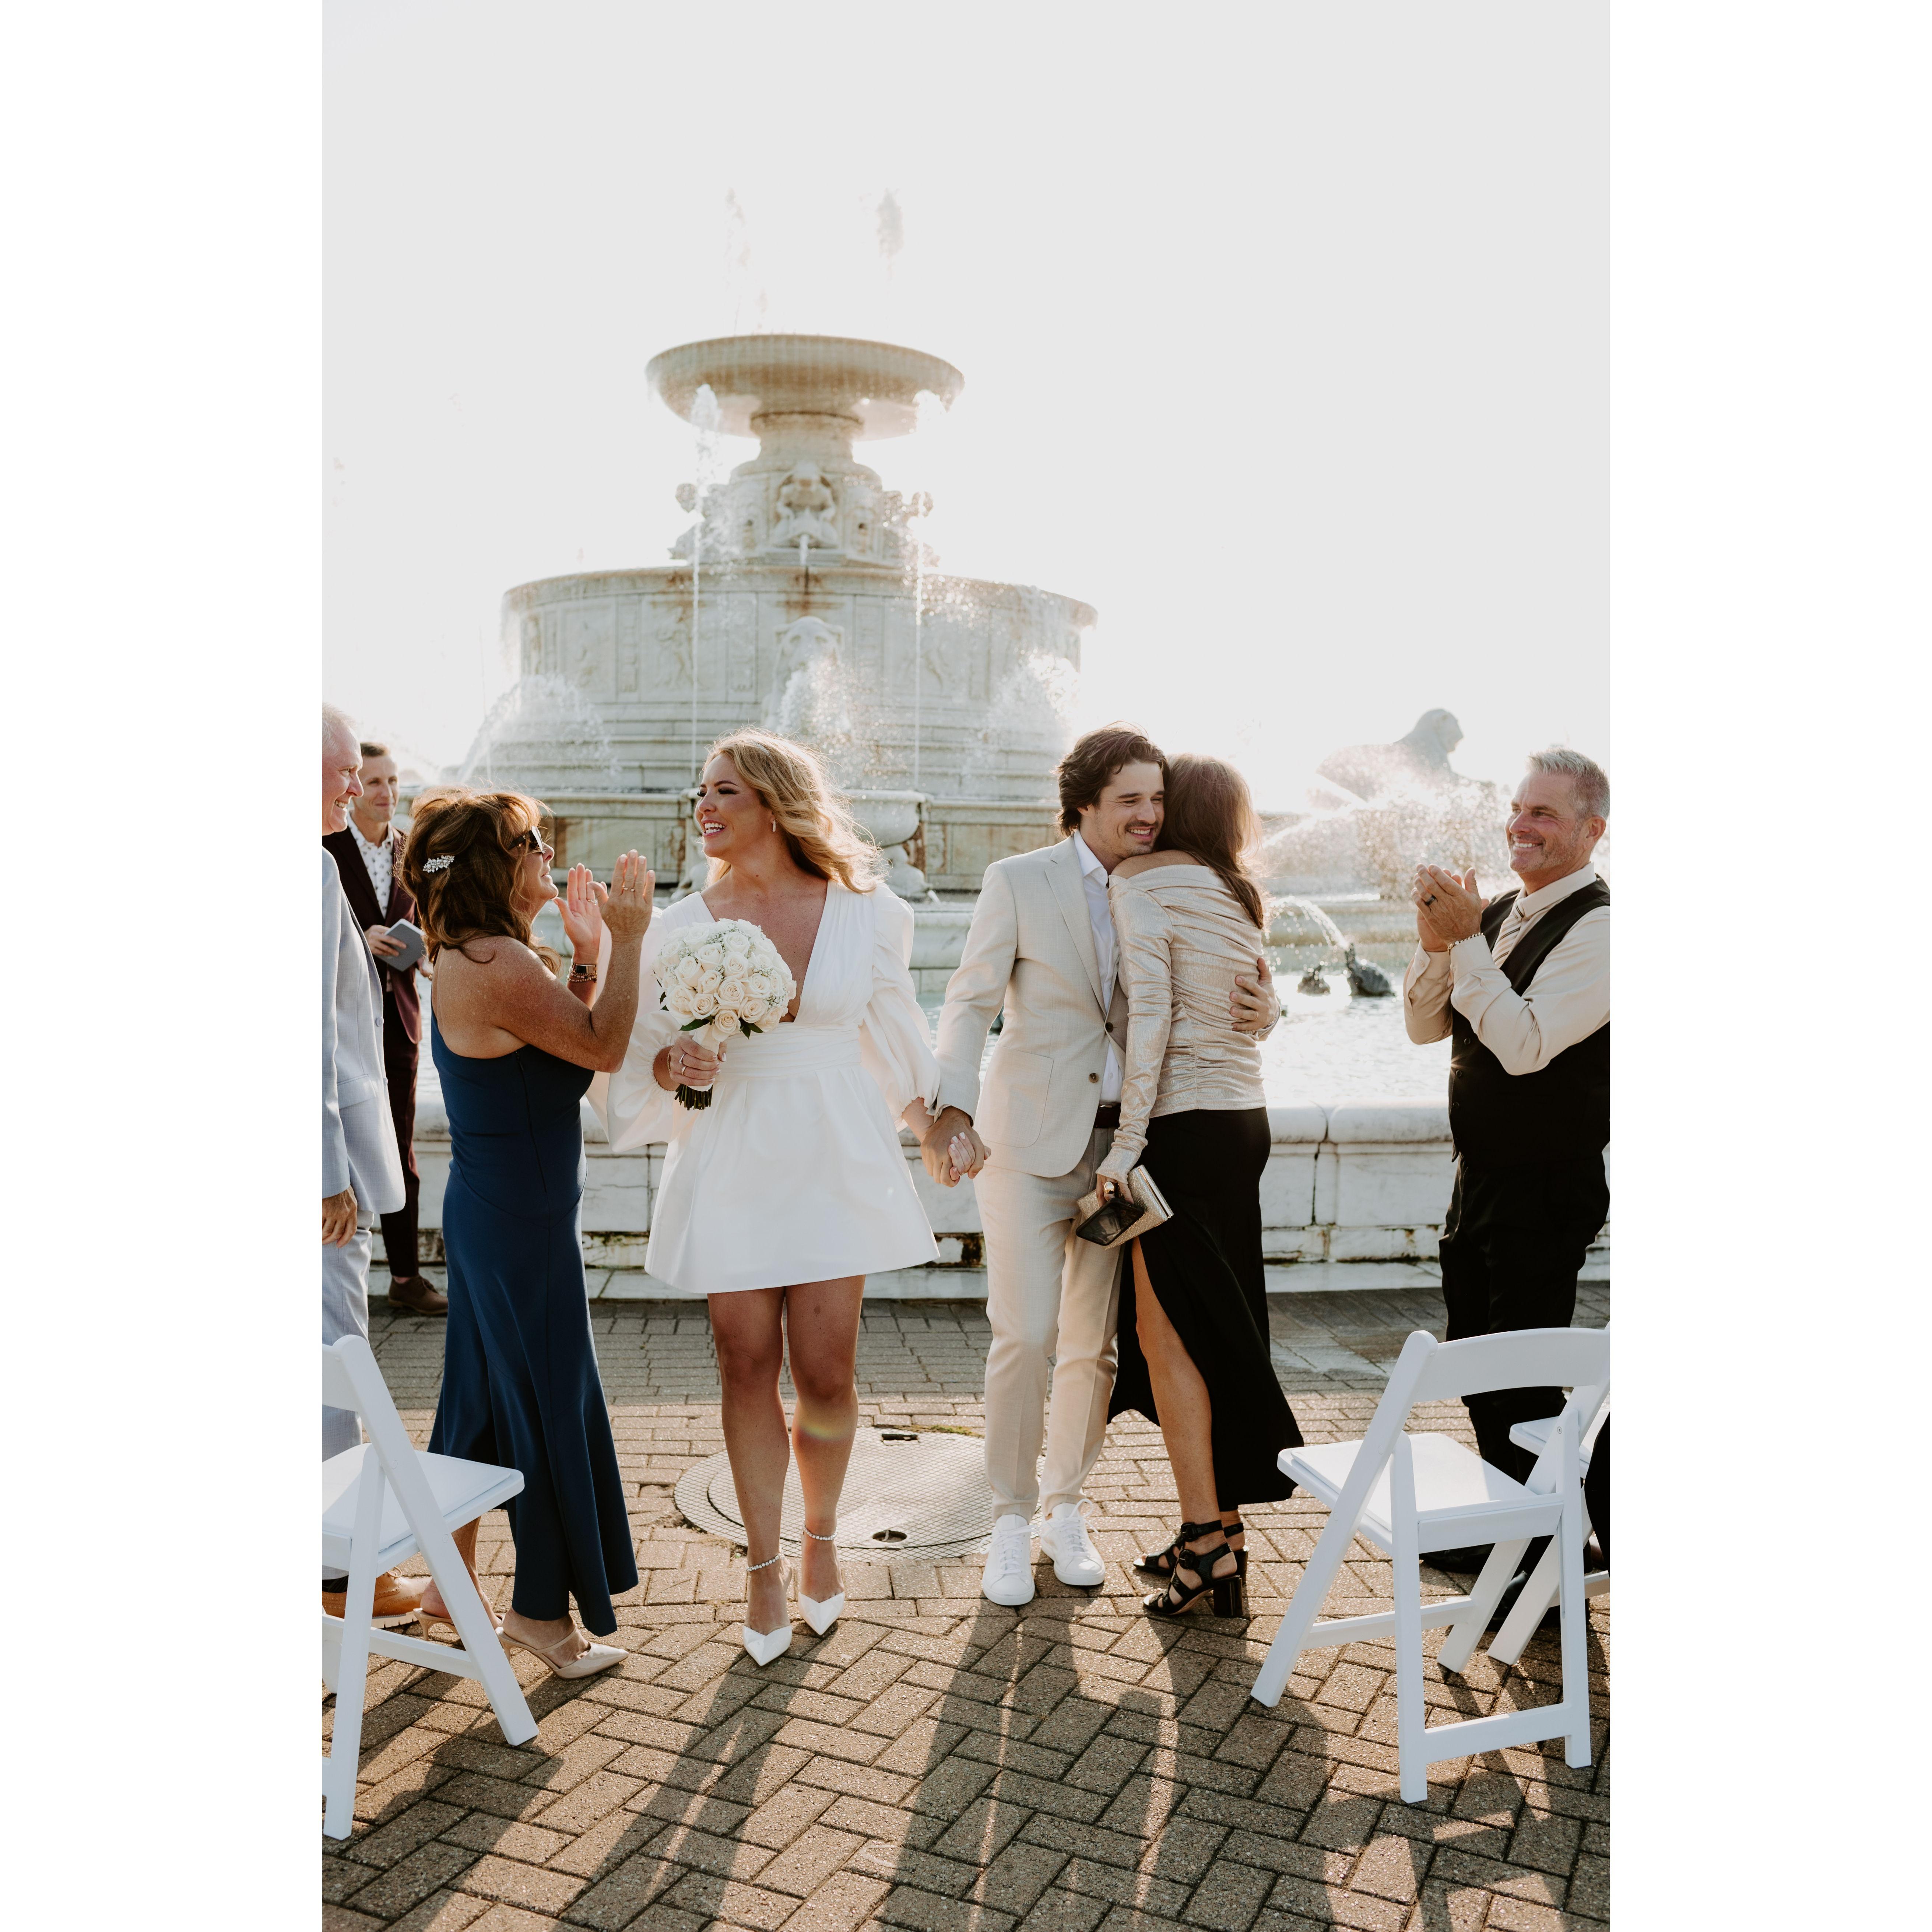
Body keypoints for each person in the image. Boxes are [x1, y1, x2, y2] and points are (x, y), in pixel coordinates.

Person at [599, 730, 944, 1667]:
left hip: (833, 1153)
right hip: (733, 1151)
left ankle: (821, 1539)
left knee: (826, 1372)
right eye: (701, 792)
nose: (705, 807)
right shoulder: (678, 925)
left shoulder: (867, 912)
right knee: (743, 1360)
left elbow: (892, 1031)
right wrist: (676, 1063)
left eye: (726, 792)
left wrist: (933, 1119)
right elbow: (638, 1055)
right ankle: (761, 1564)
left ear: (777, 805)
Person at [927, 724, 1282, 1608]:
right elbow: (968, 1001)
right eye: (1130, 800)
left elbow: (1208, 991)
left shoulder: (1162, 882)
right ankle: (1009, 1519)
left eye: (1158, 798)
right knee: (1025, 1336)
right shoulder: (1019, 880)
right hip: (1026, 1145)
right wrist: (951, 1108)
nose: (1149, 814)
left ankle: (1064, 1507)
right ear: (1082, 804)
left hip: (1127, 1155)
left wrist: (1267, 1006)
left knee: (1093, 1348)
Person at [400, 788, 654, 1678]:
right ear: (493, 863)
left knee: (476, 1403)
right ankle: (540, 1613)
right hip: (520, 1226)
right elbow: (604, 1048)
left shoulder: (472, 954)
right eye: (530, 840)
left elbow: (557, 1060)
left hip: (497, 1211)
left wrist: (583, 957)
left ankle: (448, 1581)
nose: (548, 850)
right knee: (548, 1407)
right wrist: (626, 939)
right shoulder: (496, 959)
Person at [1093, 754, 1305, 1619]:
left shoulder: (1140, 880)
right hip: (1242, 1124)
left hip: (1179, 1132)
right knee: (1212, 1329)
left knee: (1168, 1337)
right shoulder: (1237, 892)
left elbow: (1153, 1014)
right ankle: (1219, 1533)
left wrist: (1127, 1146)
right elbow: (1254, 1005)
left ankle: (1206, 1542)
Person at [1403, 747, 1609, 1570]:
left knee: (1523, 1371)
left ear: (1592, 830)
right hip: (1480, 1180)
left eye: (1543, 813)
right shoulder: (1492, 917)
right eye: (1519, 808)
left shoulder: (1603, 929)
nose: (1520, 825)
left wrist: (1467, 944)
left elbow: (1524, 1048)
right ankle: (1516, 1531)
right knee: (1476, 1361)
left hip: (1547, 1183)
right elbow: (1424, 1027)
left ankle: (1556, 1546)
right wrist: (1437, 943)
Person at [321, 705, 421, 1628]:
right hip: (322, 1180)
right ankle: (341, 1571)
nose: (358, 786)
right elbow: (316, 1038)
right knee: (335, 1361)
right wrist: (329, 1177)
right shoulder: (312, 871)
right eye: (347, 768)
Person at [323, 740, 444, 1315]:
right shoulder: (324, 846)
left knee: (401, 1145)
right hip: (342, 1025)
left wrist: (429, 954)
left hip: (401, 1019)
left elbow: (435, 914)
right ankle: (341, 1268)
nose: (384, 792)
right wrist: (363, 940)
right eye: (372, 780)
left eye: (392, 781)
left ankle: (405, 1275)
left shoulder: (415, 852)